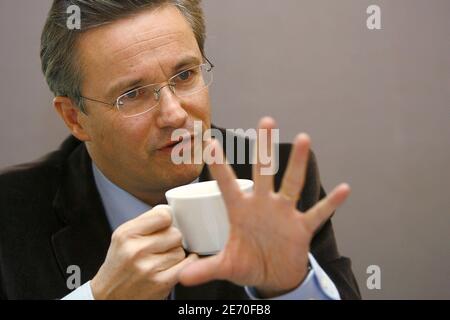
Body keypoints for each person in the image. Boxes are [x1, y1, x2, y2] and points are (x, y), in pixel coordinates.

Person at [0, 0, 360, 300]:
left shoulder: (274, 178)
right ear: (75, 118)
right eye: (133, 94)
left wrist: (291, 288)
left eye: (185, 75)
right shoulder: (11, 212)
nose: (174, 114)